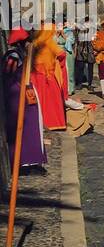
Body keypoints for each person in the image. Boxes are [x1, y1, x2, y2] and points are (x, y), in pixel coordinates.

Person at [2, 29, 47, 170]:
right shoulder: (14, 56)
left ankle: (30, 159)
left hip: (24, 93)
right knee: (23, 127)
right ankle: (22, 161)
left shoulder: (22, 54)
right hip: (17, 96)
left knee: (32, 126)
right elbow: (8, 76)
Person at [30, 27, 67, 131]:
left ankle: (40, 122)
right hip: (47, 75)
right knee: (51, 101)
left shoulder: (36, 41)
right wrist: (57, 63)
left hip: (35, 74)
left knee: (39, 99)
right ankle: (52, 122)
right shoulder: (49, 42)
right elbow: (61, 54)